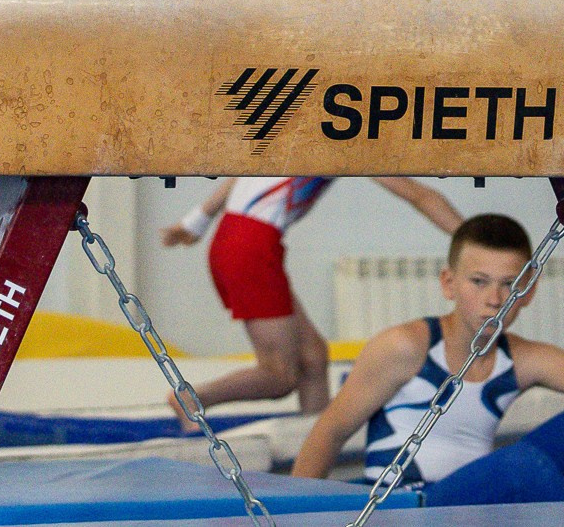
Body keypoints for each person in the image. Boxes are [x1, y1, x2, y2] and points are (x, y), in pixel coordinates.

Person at [290, 213, 564, 496]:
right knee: (522, 467)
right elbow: (329, 433)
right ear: (448, 283)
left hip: (472, 503)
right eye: (479, 281)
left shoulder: (521, 357)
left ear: (528, 290)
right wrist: (293, 518)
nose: (495, 299)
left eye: (510, 283)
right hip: (408, 506)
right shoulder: (404, 347)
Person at [160, 174, 462, 421]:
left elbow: (244, 171)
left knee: (313, 359)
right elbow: (419, 195)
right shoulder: (340, 139)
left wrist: (195, 220)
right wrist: (475, 239)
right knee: (280, 375)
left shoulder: (296, 126)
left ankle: (313, 442)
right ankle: (192, 398)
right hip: (248, 246)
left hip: (242, 239)